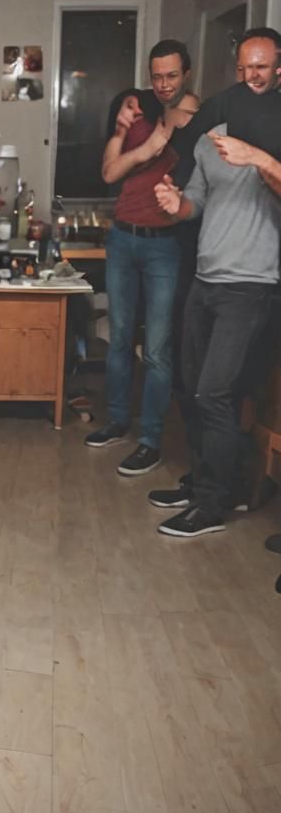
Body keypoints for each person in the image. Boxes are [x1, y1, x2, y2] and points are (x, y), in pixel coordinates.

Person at [151, 28, 281, 537]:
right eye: (246, 66)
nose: (254, 75)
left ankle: (213, 504)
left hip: (251, 284)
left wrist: (260, 159)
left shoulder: (274, 130)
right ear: (236, 69)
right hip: (206, 278)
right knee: (191, 389)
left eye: (263, 66)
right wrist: (175, 205)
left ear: (278, 69)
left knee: (215, 393)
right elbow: (195, 203)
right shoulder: (213, 136)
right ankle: (200, 481)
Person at [86, 42, 201, 476]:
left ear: (186, 73)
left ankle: (150, 439)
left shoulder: (196, 115)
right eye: (157, 75)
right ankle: (117, 420)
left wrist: (164, 137)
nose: (163, 84)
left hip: (164, 245)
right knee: (116, 338)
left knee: (155, 348)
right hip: (122, 237)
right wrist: (138, 140)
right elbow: (110, 173)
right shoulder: (135, 107)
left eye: (171, 75)